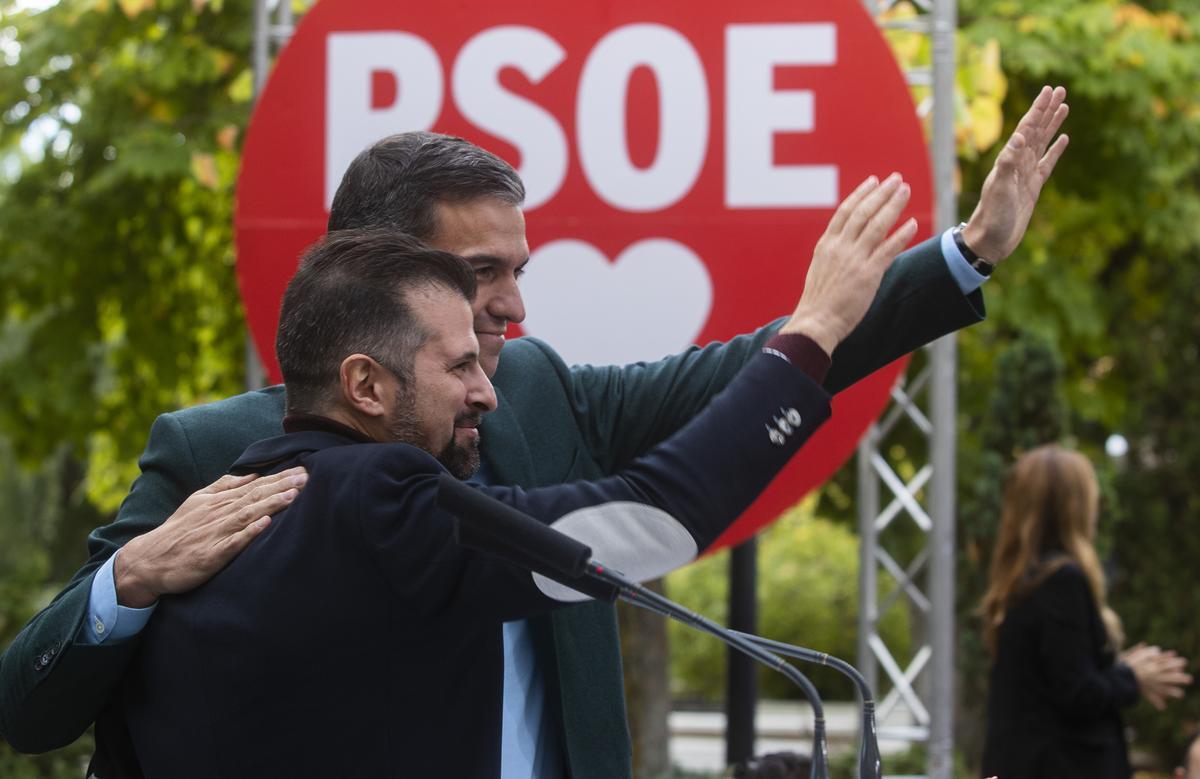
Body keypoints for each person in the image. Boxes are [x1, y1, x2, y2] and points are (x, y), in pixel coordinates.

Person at [0, 86, 1071, 779]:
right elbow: (31, 706)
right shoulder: (219, 455)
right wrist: (123, 582)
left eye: (520, 269)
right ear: (377, 284)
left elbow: (732, 377)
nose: (511, 310)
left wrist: (963, 257)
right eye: (478, 279)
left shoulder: (542, 391)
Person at [124, 205, 901, 777]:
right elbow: (646, 521)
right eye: (458, 366)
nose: (487, 393)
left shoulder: (244, 499)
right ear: (363, 383)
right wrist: (815, 330)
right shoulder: (376, 501)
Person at [980, 443, 1191, 779]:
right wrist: (1131, 678)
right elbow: (1076, 693)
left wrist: (1121, 671)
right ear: (1074, 506)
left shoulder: (1020, 584)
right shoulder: (1061, 581)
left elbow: (1053, 681)